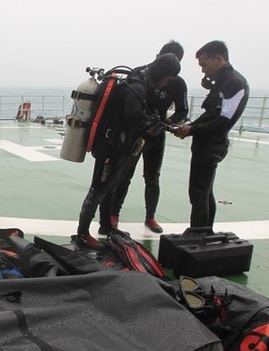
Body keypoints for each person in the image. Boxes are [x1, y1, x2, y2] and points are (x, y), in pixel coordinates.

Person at [75, 54, 181, 250]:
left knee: (109, 186)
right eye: (169, 77)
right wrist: (151, 124)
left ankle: (107, 227)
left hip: (117, 145)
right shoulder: (138, 86)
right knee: (98, 188)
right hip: (109, 145)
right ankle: (82, 233)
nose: (168, 82)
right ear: (163, 72)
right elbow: (133, 114)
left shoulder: (140, 81)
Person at [106, 41, 189, 234]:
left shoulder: (176, 82)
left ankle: (150, 216)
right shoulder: (140, 75)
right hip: (136, 133)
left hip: (157, 134)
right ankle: (113, 214)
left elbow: (182, 110)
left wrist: (165, 125)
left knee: (152, 177)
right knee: (124, 175)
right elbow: (128, 108)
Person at [175, 40, 249, 229]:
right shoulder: (223, 82)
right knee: (205, 192)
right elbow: (211, 114)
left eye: (204, 65)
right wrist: (191, 126)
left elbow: (223, 121)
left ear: (219, 58)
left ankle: (197, 234)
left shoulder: (235, 82)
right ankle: (205, 232)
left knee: (198, 193)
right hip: (205, 143)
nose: (203, 71)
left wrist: (192, 129)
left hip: (212, 145)